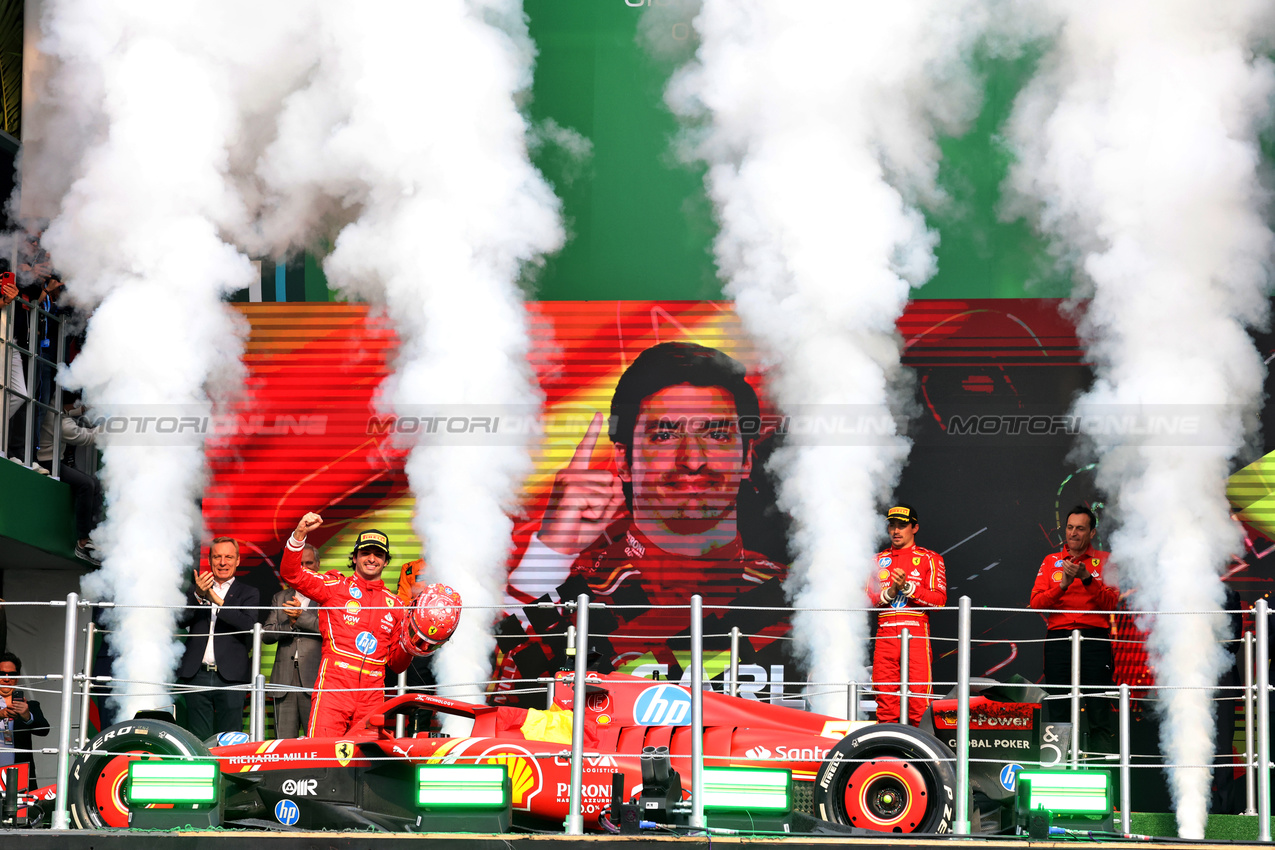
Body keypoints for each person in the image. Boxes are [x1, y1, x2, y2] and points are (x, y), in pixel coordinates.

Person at [498, 342, 786, 692]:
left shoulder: (800, 601)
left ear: (745, 459)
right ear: (623, 461)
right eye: (664, 435)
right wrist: (551, 552)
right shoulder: (578, 605)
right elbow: (492, 708)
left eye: (716, 434)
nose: (693, 460)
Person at [281, 513, 462, 737]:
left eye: (378, 554)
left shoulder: (396, 605)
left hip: (372, 693)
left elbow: (396, 665)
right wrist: (299, 534)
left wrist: (413, 644)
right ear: (355, 557)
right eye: (365, 552)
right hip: (334, 687)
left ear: (386, 561)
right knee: (323, 755)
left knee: (366, 762)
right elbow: (292, 574)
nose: (371, 558)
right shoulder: (336, 586)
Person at [1028, 505, 1119, 750]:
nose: (1074, 533)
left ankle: (1103, 770)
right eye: (1070, 528)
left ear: (1091, 533)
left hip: (1095, 639)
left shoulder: (1106, 561)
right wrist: (1063, 585)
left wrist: (1087, 578)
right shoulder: (1051, 561)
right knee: (1059, 705)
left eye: (1080, 528)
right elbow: (1035, 603)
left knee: (1098, 707)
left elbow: (1112, 603)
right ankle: (1060, 769)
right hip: (1059, 639)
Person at [868, 504, 946, 725]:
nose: (896, 531)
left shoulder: (930, 558)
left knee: (919, 701)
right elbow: (864, 600)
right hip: (884, 635)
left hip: (916, 634)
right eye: (892, 525)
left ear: (915, 528)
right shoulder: (876, 560)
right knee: (885, 701)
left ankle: (918, 756)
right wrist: (890, 592)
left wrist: (908, 589)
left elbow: (939, 601)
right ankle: (886, 756)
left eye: (902, 526)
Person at [176, 538, 261, 741]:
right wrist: (198, 595)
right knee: (197, 738)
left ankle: (230, 774)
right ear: (210, 560)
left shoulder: (249, 593)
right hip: (197, 675)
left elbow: (247, 625)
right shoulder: (195, 589)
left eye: (229, 557)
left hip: (231, 678)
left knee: (231, 739)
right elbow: (181, 620)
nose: (223, 562)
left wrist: (217, 601)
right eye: (217, 557)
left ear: (238, 560)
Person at [263, 544, 322, 738]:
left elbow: (329, 630)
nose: (304, 568)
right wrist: (289, 624)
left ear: (318, 565)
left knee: (316, 745)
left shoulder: (326, 598)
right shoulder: (280, 597)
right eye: (300, 563)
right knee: (282, 745)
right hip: (284, 681)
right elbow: (267, 634)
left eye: (309, 563)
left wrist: (300, 617)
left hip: (314, 681)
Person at [36, 391, 102, 563]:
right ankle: (83, 542)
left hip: (54, 459)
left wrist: (90, 408)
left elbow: (71, 412)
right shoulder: (60, 421)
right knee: (87, 484)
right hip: (48, 462)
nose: (77, 407)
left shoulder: (52, 403)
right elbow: (86, 437)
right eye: (76, 404)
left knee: (95, 483)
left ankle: (92, 537)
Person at [0, 652, 49, 790]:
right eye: (2, 673)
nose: (6, 678)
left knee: (21, 811)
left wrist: (27, 716)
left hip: (19, 776)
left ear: (18, 678)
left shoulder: (30, 706)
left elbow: (45, 730)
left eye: (12, 675)